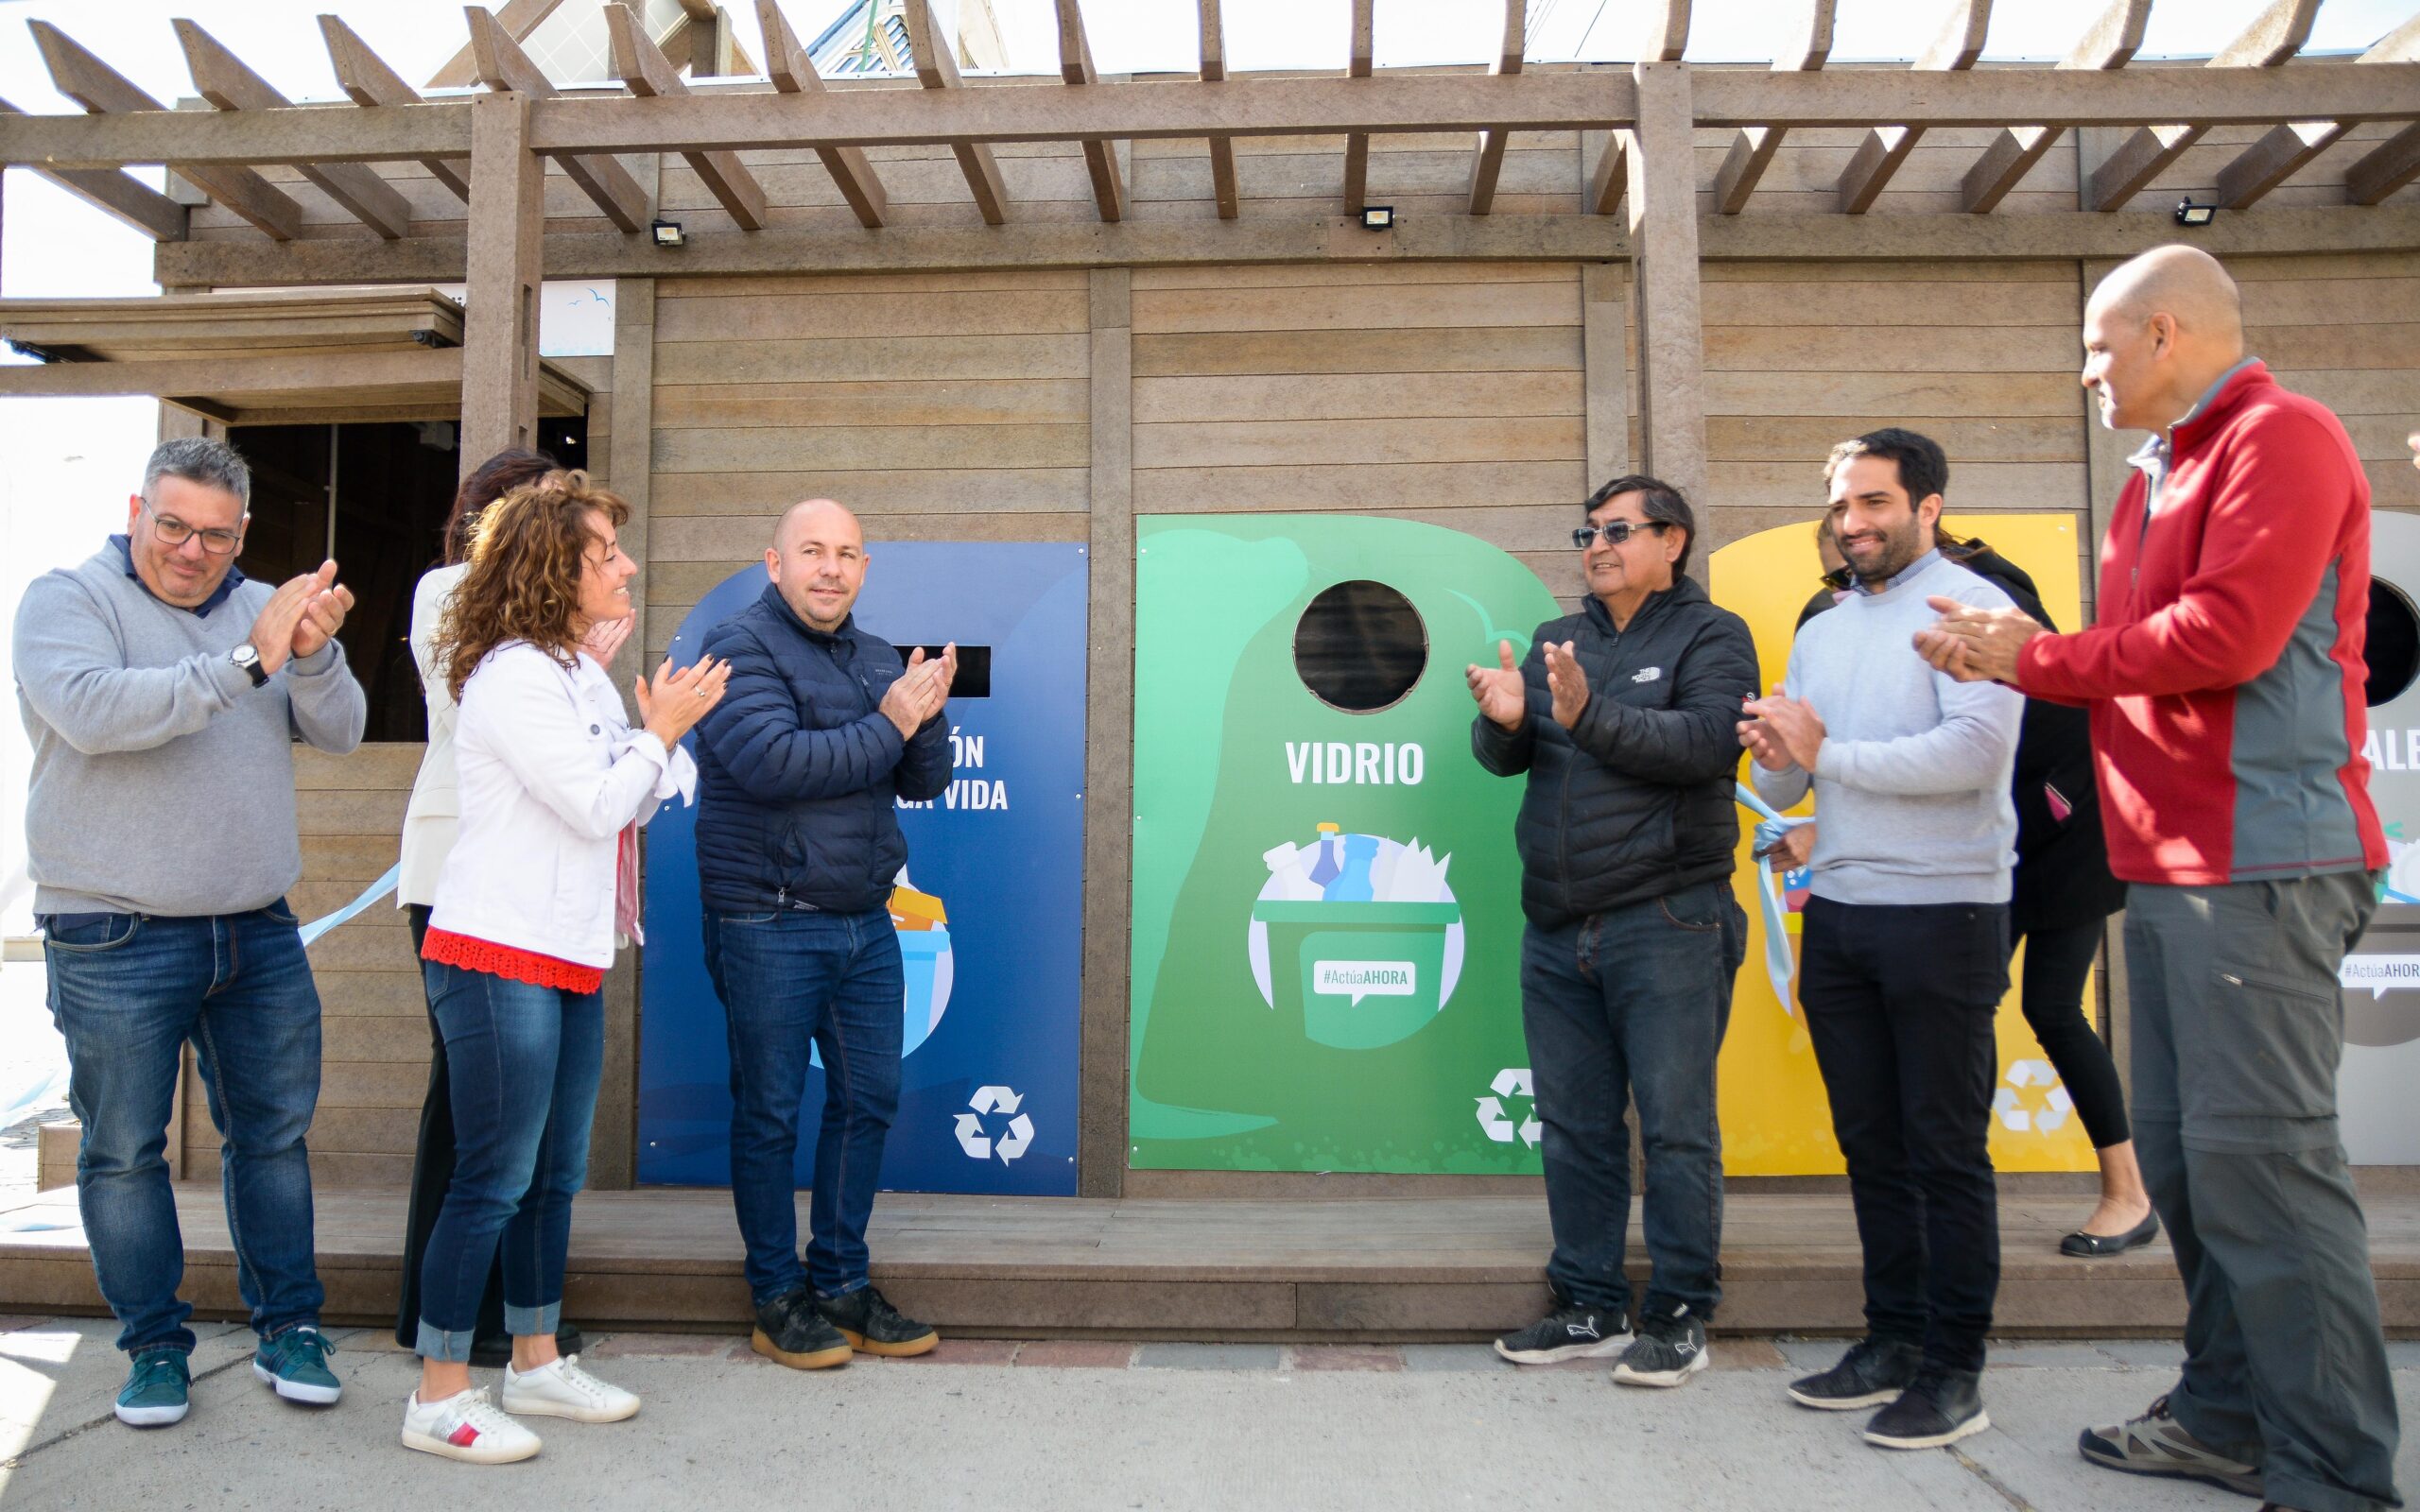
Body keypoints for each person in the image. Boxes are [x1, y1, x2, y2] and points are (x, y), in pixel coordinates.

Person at [1920, 245, 2399, 1512]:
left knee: (2268, 1171)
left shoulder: (2281, 438)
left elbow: (2225, 638)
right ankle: (2226, 1418)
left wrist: (2041, 656)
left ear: (2166, 333)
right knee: (2195, 1169)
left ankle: (2335, 1472)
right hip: (2176, 869)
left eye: (2097, 346)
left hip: (2261, 861)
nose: (2085, 371)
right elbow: (2133, 656)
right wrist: (2022, 658)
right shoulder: (2157, 471)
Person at [14, 437, 365, 1428]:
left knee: (274, 1139)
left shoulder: (267, 607)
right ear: (136, 512)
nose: (190, 549)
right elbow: (93, 713)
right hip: (110, 932)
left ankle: (289, 1328)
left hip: (256, 926)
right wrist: (251, 659)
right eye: (172, 525)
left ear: (241, 534)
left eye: (215, 535)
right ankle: (154, 1347)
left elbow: (340, 729)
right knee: (125, 1150)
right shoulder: (66, 599)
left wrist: (312, 651)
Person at [404, 471, 728, 1464]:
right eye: (606, 554)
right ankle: (437, 1394)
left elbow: (635, 795)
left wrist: (653, 744)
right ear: (555, 568)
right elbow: (600, 802)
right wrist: (658, 737)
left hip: (570, 953)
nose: (626, 567)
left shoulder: (577, 672)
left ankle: (536, 1362)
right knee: (491, 1178)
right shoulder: (513, 675)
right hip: (497, 952)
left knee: (552, 1176)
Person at [1740, 427, 2023, 1451]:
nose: (1852, 522)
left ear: (1928, 506)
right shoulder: (1823, 626)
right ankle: (1893, 1340)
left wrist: (1826, 754)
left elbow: (1975, 752)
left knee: (1944, 1150)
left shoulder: (1976, 609)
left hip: (1946, 911)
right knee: (1871, 1145)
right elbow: (1786, 779)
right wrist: (1774, 750)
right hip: (1842, 910)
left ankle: (1955, 1370)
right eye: (1841, 505)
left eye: (1874, 502)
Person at [1468, 474, 1754, 1387]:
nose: (1596, 545)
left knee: (1675, 1130)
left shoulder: (1714, 636)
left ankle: (1678, 1313)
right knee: (1575, 1128)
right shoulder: (1558, 637)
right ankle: (1588, 1302)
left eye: (1618, 530)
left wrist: (1586, 713)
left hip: (1667, 916)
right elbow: (1514, 757)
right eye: (1588, 531)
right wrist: (1504, 723)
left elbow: (1706, 746)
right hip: (1558, 924)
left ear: (1673, 540)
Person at [1796, 520, 2148, 1254]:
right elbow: (1876, 751)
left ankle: (2127, 1193)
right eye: (1835, 576)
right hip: (1971, 845)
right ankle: (1939, 1202)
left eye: (1850, 568)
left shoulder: (1978, 598)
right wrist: (1825, 824)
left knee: (2052, 1007)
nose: (1846, 585)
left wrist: (2043, 811)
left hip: (2058, 835)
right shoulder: (1845, 625)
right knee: (1957, 1027)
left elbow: (2042, 723)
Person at [693, 499, 954, 1371]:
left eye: (846, 554)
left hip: (865, 924)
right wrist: (893, 721)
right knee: (769, 1114)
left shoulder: (877, 655)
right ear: (775, 564)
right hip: (766, 920)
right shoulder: (738, 647)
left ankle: (841, 1282)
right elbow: (776, 765)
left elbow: (921, 780)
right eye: (812, 551)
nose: (831, 568)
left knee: (868, 1100)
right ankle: (776, 1296)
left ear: (864, 569)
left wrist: (928, 713)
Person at [395, 447, 612, 1365]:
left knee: (514, 1123)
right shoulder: (450, 590)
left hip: (540, 886)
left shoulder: (559, 627)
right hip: (459, 871)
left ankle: (515, 1322)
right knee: (471, 1107)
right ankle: (441, 1317)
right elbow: (469, 707)